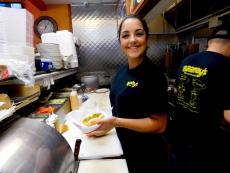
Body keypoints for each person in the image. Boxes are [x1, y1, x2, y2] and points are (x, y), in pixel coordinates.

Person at [87, 14, 169, 173]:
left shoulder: (154, 75)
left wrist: (116, 122)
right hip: (124, 149)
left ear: (147, 38)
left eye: (139, 33)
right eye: (126, 35)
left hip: (148, 157)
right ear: (120, 42)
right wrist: (106, 127)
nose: (132, 40)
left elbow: (159, 125)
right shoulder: (121, 73)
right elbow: (121, 111)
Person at [171, 23, 230, 173]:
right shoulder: (226, 66)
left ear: (210, 42)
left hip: (179, 138)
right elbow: (228, 115)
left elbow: (177, 91)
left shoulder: (186, 61)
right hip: (204, 146)